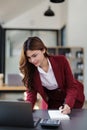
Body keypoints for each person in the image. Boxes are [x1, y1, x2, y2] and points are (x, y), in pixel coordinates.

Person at [19, 36, 85, 114]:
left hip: (73, 96)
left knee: (73, 122)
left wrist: (68, 105)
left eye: (34, 55)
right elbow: (31, 95)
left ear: (43, 50)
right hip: (54, 100)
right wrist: (25, 111)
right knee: (54, 123)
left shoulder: (61, 61)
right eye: (29, 58)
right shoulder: (32, 71)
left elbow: (71, 87)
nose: (32, 60)